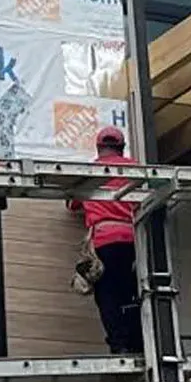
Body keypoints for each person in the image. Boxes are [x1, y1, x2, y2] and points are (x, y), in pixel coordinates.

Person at [68, 125, 143, 354]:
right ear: (121, 149)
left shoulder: (90, 172)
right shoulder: (136, 169)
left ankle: (119, 345)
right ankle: (137, 343)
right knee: (131, 292)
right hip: (133, 240)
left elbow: (72, 205)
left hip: (104, 241)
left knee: (108, 294)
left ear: (99, 148)